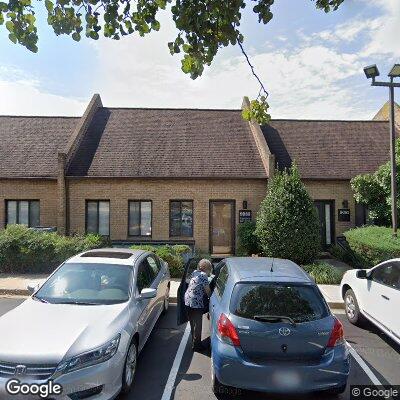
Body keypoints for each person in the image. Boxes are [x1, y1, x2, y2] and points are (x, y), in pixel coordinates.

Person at [184, 259, 212, 351]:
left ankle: (194, 341)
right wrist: (210, 298)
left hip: (187, 300)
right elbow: (207, 290)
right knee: (198, 324)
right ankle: (197, 346)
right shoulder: (204, 275)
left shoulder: (194, 273)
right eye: (210, 269)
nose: (210, 272)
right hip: (196, 302)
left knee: (192, 323)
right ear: (206, 268)